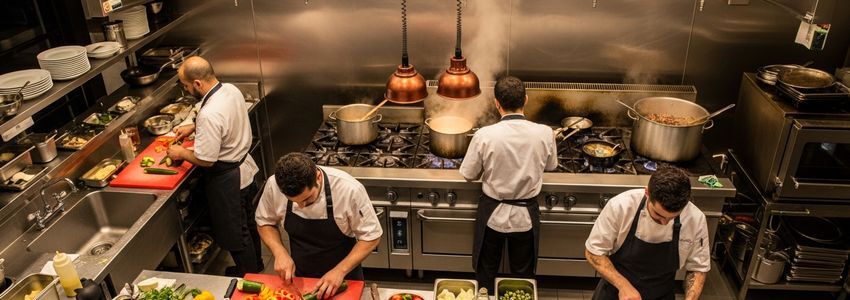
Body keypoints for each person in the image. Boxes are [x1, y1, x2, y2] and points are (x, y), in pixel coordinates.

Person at [459, 76, 558, 290]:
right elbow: (551, 166)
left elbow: (468, 174)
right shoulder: (545, 133)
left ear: (496, 103)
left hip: (492, 213)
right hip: (526, 216)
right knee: (522, 275)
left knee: (486, 270)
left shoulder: (485, 135)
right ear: (526, 100)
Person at [166, 56, 262, 276]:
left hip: (228, 179)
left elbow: (206, 159)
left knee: (237, 236)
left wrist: (181, 152)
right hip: (244, 168)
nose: (187, 90)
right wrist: (193, 126)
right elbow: (221, 119)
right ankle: (255, 267)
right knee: (248, 223)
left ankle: (249, 278)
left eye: (187, 86)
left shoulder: (209, 115)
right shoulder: (229, 89)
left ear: (198, 83)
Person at [255, 153, 382, 299]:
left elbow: (371, 236)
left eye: (307, 199)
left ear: (318, 177)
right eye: (294, 202)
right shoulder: (274, 185)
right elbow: (265, 221)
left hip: (345, 278)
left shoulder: (349, 190)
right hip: (302, 278)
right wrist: (279, 252)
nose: (301, 207)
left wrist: (340, 271)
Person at [585, 167, 709, 300]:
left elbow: (698, 268)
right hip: (614, 292)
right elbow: (594, 252)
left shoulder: (695, 219)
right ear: (647, 193)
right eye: (658, 215)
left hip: (661, 294)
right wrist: (623, 286)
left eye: (671, 218)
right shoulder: (621, 206)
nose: (664, 223)